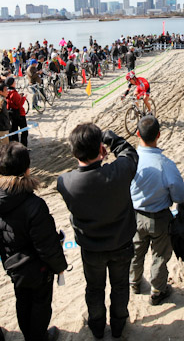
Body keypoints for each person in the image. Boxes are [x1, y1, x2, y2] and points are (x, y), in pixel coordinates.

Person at [57, 124, 138, 339]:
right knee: (120, 286)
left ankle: (97, 326)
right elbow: (130, 152)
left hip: (91, 247)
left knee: (94, 289)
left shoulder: (65, 182)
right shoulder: (119, 171)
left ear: (74, 153)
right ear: (101, 149)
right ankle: (119, 325)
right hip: (121, 243)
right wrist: (111, 139)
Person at [0, 142, 67, 341]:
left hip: (12, 263)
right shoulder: (34, 204)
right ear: (27, 169)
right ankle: (38, 337)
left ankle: (29, 335)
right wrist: (59, 267)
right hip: (37, 268)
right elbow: (46, 245)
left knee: (22, 300)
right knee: (40, 304)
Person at [128, 116, 184, 305]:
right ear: (159, 135)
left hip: (135, 215)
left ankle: (134, 282)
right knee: (160, 255)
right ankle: (158, 290)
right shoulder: (165, 164)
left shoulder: (129, 161)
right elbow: (179, 195)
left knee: (136, 251)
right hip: (159, 216)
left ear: (137, 134)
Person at [6, 77, 29, 146]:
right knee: (24, 131)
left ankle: (16, 146)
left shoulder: (7, 92)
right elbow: (19, 104)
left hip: (11, 113)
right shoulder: (14, 93)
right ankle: (23, 146)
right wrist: (24, 97)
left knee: (14, 131)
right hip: (19, 113)